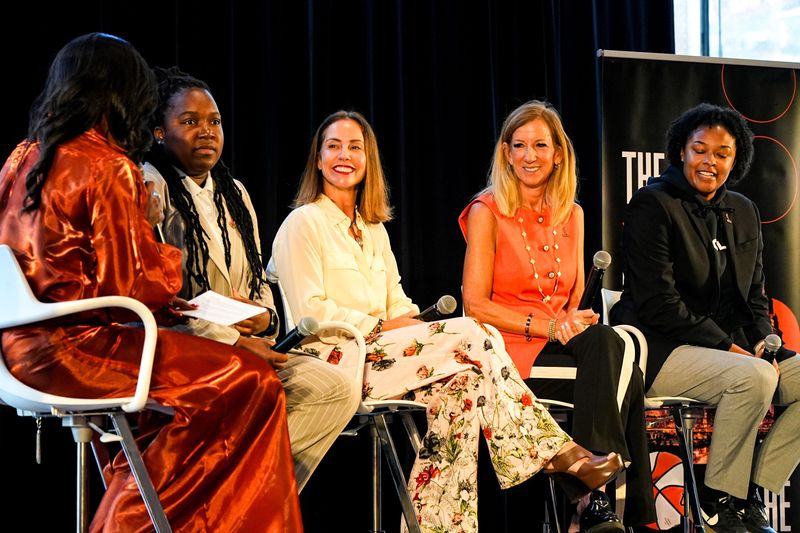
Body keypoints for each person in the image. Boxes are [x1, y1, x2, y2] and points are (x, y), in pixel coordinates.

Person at [268, 109, 624, 533]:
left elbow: (397, 301)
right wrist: (383, 327)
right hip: (335, 363)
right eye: (334, 146)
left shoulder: (373, 229)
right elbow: (311, 315)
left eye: (355, 147)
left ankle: (438, 527)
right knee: (474, 330)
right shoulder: (303, 222)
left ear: (369, 160)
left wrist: (411, 323)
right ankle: (560, 455)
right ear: (319, 159)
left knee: (464, 385)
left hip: (386, 360)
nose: (345, 155)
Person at [0, 33, 302, 532]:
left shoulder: (20, 158)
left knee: (177, 410)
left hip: (19, 349)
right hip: (81, 348)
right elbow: (132, 288)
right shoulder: (110, 166)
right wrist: (157, 235)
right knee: (253, 382)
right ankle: (123, 524)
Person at [143, 66, 360, 492]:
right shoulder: (151, 188)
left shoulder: (235, 193)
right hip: (189, 349)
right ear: (159, 133)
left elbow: (259, 282)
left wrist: (262, 319)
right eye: (189, 122)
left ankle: (239, 497)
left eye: (214, 122)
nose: (206, 131)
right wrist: (233, 341)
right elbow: (159, 298)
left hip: (248, 345)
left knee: (335, 388)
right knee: (262, 395)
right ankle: (222, 499)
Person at [459, 99, 655, 530]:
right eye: (520, 145)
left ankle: (593, 499)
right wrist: (549, 324)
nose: (531, 155)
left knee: (612, 343)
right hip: (508, 351)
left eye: (541, 145)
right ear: (506, 153)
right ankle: (603, 502)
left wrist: (573, 319)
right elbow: (475, 304)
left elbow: (569, 301)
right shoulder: (485, 212)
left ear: (558, 153)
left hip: (560, 341)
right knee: (627, 371)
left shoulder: (574, 213)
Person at [611, 102, 800, 533]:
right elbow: (659, 303)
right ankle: (719, 501)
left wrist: (760, 341)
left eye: (722, 153)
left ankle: (749, 492)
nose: (709, 161)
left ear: (736, 159)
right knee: (753, 377)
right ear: (681, 151)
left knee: (782, 373)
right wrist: (733, 349)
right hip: (658, 348)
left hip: (727, 350)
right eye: (700, 149)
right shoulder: (653, 204)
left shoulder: (743, 210)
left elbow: (754, 297)